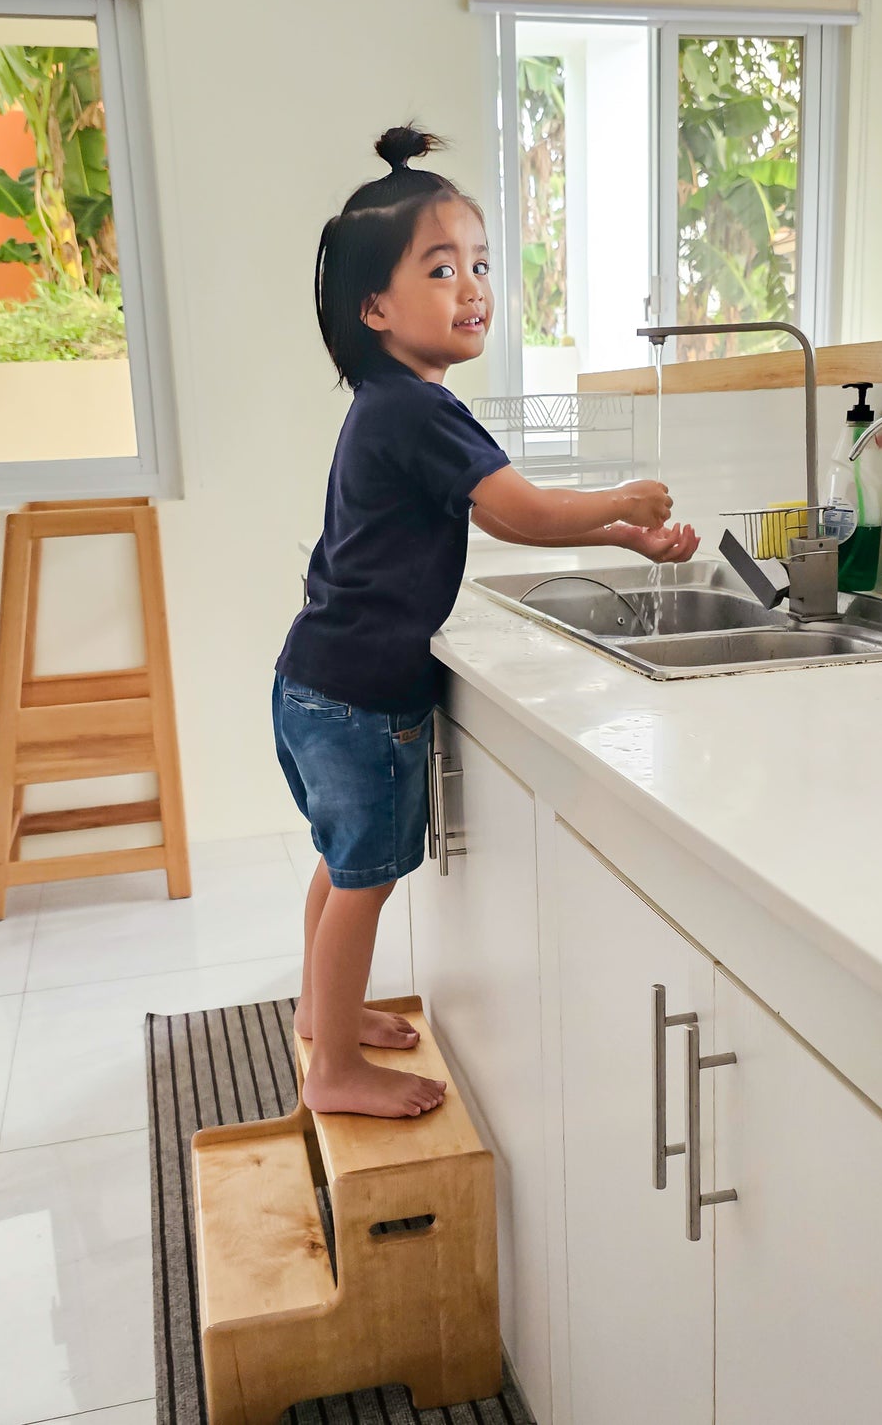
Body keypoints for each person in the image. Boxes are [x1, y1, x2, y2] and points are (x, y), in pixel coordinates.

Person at [274, 124, 699, 1119]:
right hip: (359, 698)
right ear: (375, 306)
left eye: (477, 263)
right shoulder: (419, 411)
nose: (470, 286)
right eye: (438, 267)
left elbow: (507, 513)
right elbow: (516, 510)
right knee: (363, 881)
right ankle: (335, 1066)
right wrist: (620, 504)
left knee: (342, 870)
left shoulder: (391, 401)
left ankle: (319, 1015)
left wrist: (623, 538)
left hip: (316, 680)